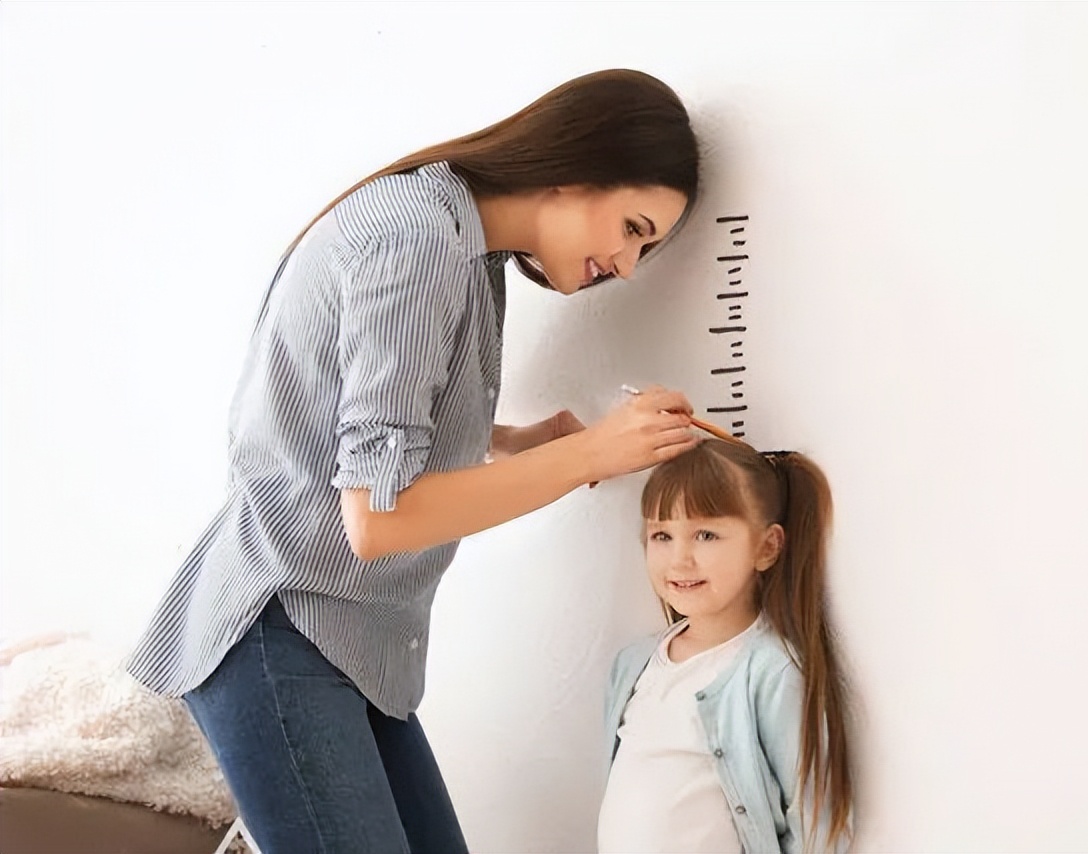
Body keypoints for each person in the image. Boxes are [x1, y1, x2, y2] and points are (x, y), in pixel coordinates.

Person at [125, 69, 701, 854]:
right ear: (574, 172)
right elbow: (378, 517)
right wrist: (593, 453)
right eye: (633, 228)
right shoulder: (419, 241)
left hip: (347, 638)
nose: (629, 265)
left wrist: (512, 441)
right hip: (284, 621)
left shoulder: (459, 246)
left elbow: (362, 410)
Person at [599, 439, 856, 853]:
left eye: (705, 534)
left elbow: (817, 823)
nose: (680, 558)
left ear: (767, 547)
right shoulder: (633, 664)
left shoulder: (770, 671)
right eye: (662, 534)